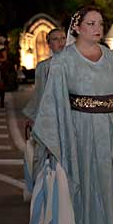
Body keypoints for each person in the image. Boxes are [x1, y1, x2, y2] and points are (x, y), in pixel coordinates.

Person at [32, 7, 113, 224]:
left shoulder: (112, 59)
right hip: (77, 129)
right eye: (91, 24)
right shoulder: (63, 60)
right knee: (83, 182)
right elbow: (53, 101)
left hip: (110, 127)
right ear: (76, 27)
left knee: (109, 182)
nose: (98, 29)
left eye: (100, 23)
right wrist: (55, 138)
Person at [23, 28, 67, 182]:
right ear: (49, 44)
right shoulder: (43, 67)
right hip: (47, 117)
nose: (60, 42)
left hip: (69, 117)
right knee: (41, 156)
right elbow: (39, 94)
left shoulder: (74, 64)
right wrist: (33, 116)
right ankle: (40, 188)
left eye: (63, 38)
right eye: (55, 39)